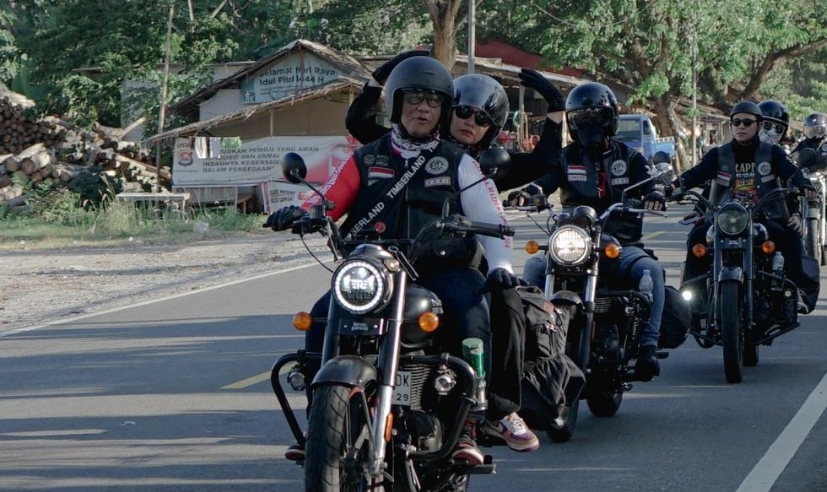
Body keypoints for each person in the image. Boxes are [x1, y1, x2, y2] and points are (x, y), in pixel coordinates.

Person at [266, 56, 537, 463]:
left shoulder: (461, 163)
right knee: (323, 317)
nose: (422, 109)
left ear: (443, 109)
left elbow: (494, 222)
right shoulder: (365, 158)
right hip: (377, 269)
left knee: (472, 311)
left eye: (431, 101)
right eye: (413, 100)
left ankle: (471, 422)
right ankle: (319, 423)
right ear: (396, 104)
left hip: (442, 270)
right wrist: (304, 213)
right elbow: (327, 199)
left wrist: (501, 268)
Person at [506, 82, 668, 379]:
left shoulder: (630, 158)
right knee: (533, 267)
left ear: (610, 119)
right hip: (573, 243)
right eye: (582, 118)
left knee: (651, 271)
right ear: (572, 122)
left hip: (621, 244)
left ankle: (648, 345)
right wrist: (528, 194)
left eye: (596, 117)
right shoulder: (566, 158)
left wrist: (655, 194)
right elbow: (544, 181)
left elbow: (650, 183)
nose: (590, 124)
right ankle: (530, 342)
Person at [673, 100, 819, 314]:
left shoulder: (773, 154)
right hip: (724, 219)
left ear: (758, 126)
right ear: (731, 126)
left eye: (747, 122)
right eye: (736, 122)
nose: (741, 126)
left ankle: (796, 290)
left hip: (763, 216)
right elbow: (695, 174)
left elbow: (791, 172)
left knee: (790, 236)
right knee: (697, 236)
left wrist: (804, 185)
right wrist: (673, 187)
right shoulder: (718, 155)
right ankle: (692, 300)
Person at [345, 49, 565, 191]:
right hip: (403, 245)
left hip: (463, 253)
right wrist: (379, 78)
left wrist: (555, 106)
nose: (470, 121)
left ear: (491, 129)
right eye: (463, 112)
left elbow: (544, 162)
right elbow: (359, 124)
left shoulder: (491, 165)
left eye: (481, 118)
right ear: (449, 112)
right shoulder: (415, 145)